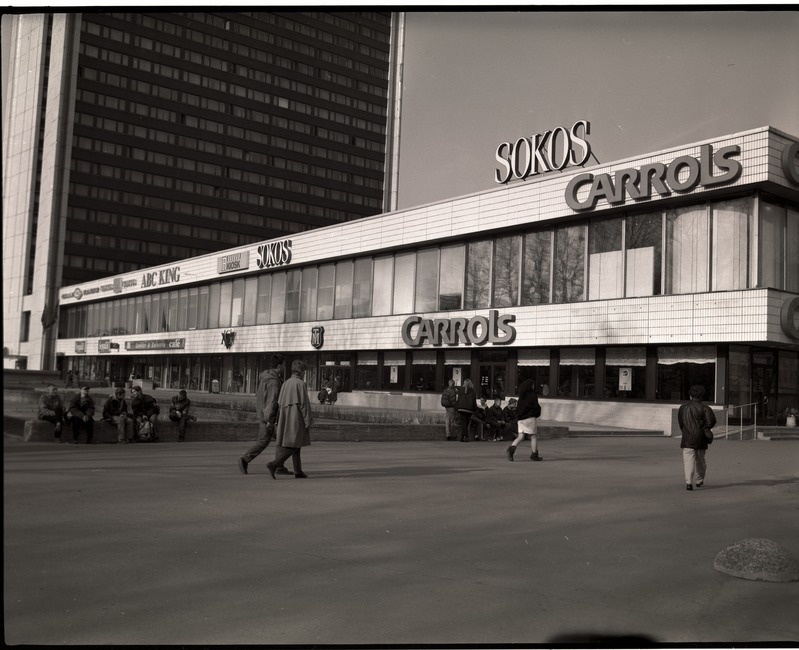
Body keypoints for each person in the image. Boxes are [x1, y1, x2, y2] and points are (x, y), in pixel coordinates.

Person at [239, 354, 290, 475]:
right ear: (278, 366)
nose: (284, 367)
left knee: (281, 441)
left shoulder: (265, 377)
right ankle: (245, 459)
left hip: (264, 415)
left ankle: (279, 466)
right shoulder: (273, 382)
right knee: (271, 441)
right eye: (283, 365)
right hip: (269, 418)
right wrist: (269, 421)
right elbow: (271, 402)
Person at [267, 359, 312, 479]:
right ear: (301, 371)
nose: (304, 374)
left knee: (295, 445)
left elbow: (279, 402)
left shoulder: (286, 383)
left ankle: (298, 471)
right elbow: (303, 404)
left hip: (285, 417)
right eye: (304, 371)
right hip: (296, 418)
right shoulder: (300, 384)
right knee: (294, 445)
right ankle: (274, 464)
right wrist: (308, 421)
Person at [677, 384, 717, 491]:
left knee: (688, 460)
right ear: (702, 396)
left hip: (687, 438)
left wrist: (685, 431)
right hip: (701, 438)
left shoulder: (683, 408)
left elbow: (681, 423)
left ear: (690, 395)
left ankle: (689, 482)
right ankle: (699, 480)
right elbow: (711, 422)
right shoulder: (706, 408)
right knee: (700, 460)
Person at [506, 379, 543, 461]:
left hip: (521, 419)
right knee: (533, 436)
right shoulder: (533, 395)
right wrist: (536, 413)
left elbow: (519, 408)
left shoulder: (521, 396)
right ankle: (534, 454)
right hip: (530, 418)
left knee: (520, 436)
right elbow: (536, 406)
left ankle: (511, 449)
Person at [454, 378, 477, 442]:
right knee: (466, 423)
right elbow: (473, 402)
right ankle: (464, 436)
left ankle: (464, 436)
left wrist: (456, 408)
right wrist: (475, 409)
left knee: (464, 423)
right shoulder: (473, 392)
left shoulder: (461, 390)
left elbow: (458, 400)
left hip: (461, 409)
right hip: (469, 410)